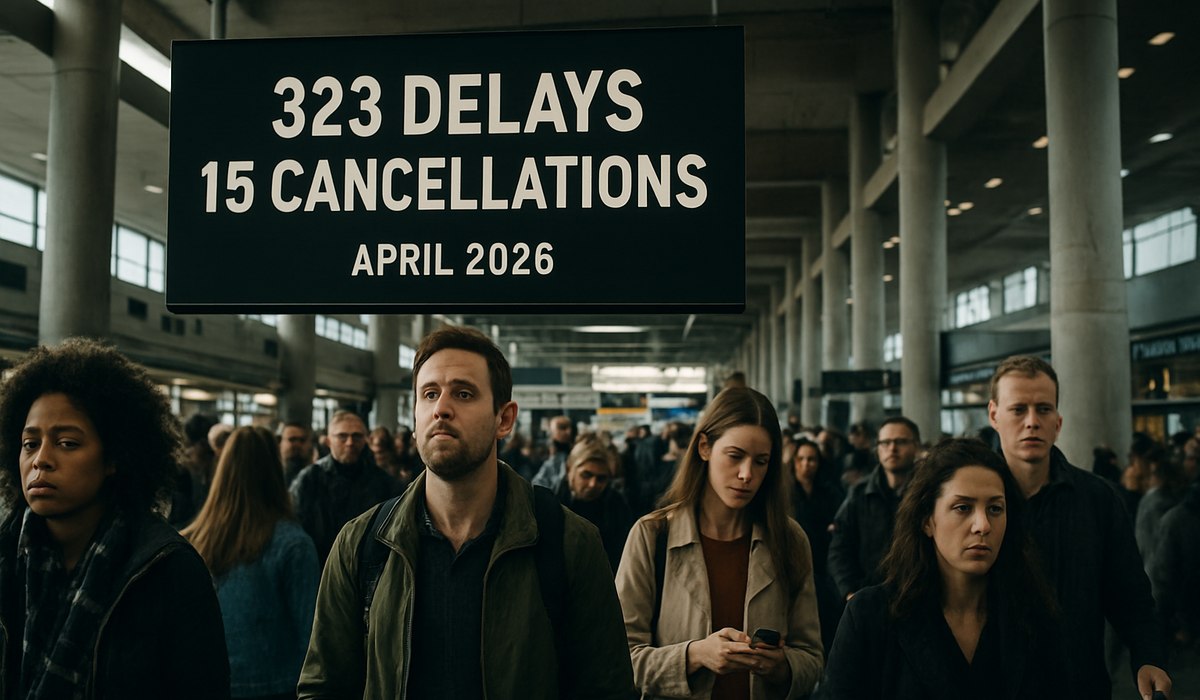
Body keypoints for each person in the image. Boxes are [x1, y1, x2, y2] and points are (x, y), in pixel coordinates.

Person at [298, 326, 633, 700]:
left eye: (463, 393)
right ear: (414, 418)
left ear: (503, 420)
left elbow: (607, 686)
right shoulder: (362, 544)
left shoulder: (569, 543)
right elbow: (324, 687)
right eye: (429, 394)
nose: (441, 408)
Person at [0, 339, 229, 699]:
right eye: (30, 443)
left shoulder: (168, 570)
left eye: (68, 443)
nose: (40, 460)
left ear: (114, 458)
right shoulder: (5, 557)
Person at [616, 387, 824, 700]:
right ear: (704, 447)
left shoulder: (789, 540)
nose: (746, 474)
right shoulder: (652, 535)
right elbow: (618, 658)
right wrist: (694, 655)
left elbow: (812, 659)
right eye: (735, 456)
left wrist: (782, 666)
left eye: (761, 461)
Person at [818, 438, 1065, 699]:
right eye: (963, 508)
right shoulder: (871, 615)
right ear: (927, 521)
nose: (982, 525)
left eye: (995, 508)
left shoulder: (1035, 616)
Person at [986, 355, 1170, 699]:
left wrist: (1148, 657)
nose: (1031, 422)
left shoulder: (1096, 499)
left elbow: (1130, 595)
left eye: (1043, 409)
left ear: (1058, 422)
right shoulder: (970, 500)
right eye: (1018, 409)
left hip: (1075, 686)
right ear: (994, 415)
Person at [183, 426, 320, 700]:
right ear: (274, 469)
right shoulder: (293, 544)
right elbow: (312, 638)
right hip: (277, 685)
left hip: (207, 683)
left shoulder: (191, 540)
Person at [828, 417, 922, 600]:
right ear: (877, 448)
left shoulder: (928, 493)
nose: (892, 449)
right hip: (869, 597)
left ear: (916, 446)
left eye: (900, 442)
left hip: (918, 598)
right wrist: (849, 591)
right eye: (885, 442)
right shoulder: (860, 493)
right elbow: (840, 547)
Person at [289, 410, 400, 564]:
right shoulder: (309, 480)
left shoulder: (383, 482)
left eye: (356, 436)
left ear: (365, 440)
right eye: (342, 436)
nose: (350, 442)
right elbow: (295, 526)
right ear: (328, 441)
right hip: (320, 565)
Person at [790, 437, 846, 655]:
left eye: (811, 459)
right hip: (795, 564)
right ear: (794, 461)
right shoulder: (785, 492)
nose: (806, 464)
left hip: (823, 564)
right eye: (802, 459)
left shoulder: (830, 492)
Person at [554, 433, 634, 573]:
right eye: (586, 475)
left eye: (601, 479)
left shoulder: (617, 506)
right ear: (569, 470)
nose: (593, 484)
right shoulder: (549, 501)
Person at [531, 414, 576, 488]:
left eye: (571, 428)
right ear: (551, 430)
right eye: (562, 427)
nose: (568, 432)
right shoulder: (539, 453)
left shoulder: (575, 452)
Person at [279, 421, 314, 487]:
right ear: (281, 443)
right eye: (292, 439)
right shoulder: (273, 477)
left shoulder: (318, 478)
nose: (297, 445)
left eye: (302, 440)